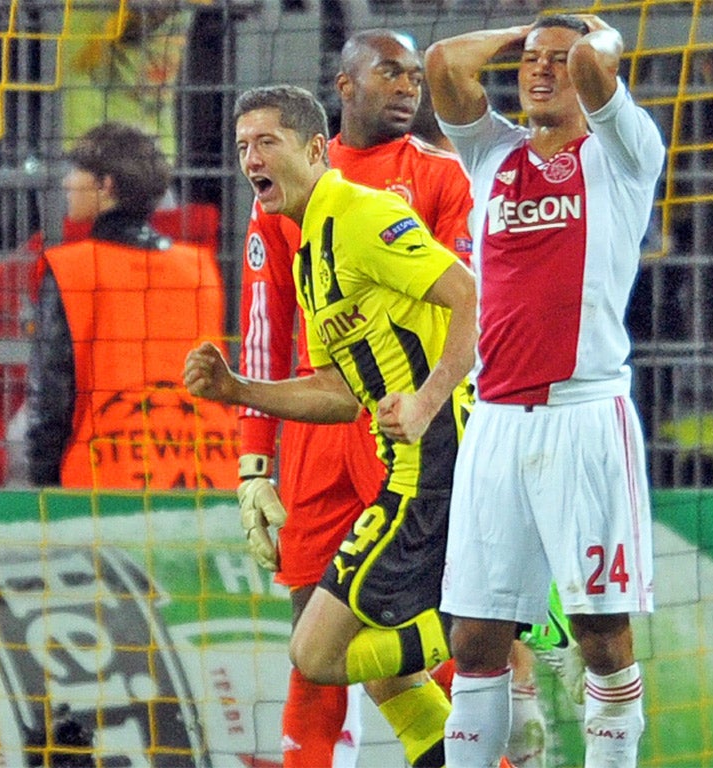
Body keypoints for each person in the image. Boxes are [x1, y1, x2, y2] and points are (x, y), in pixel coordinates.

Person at [184, 84, 477, 768]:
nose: (250, 158)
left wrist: (430, 398)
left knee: (318, 653)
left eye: (267, 142)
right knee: (385, 671)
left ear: (316, 149)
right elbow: (340, 390)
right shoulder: (311, 247)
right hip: (404, 465)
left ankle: (491, 617)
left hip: (432, 462)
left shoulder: (362, 217)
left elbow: (470, 294)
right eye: (241, 147)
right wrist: (237, 390)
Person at [425, 13, 665, 767]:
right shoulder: (491, 152)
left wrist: (589, 40)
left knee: (601, 638)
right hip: (497, 420)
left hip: (584, 416)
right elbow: (441, 63)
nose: (540, 70)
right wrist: (532, 28)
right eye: (529, 61)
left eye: (555, 62)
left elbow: (597, 70)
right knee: (473, 639)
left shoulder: (624, 150)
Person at [24, 122, 236, 490]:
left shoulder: (70, 268)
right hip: (210, 468)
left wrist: (43, 483)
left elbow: (51, 396)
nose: (67, 183)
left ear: (106, 185)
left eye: (77, 171)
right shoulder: (200, 267)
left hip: (107, 474)